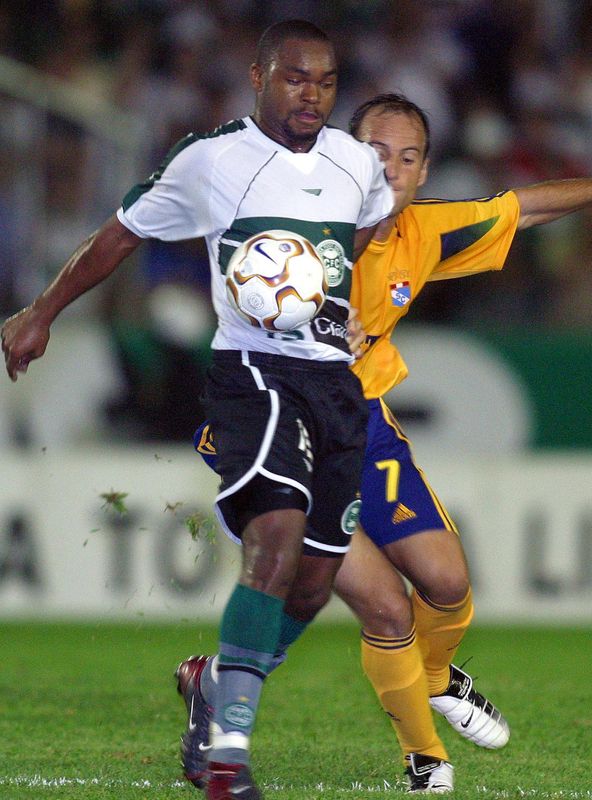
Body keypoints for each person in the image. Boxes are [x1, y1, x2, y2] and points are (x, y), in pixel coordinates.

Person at [180, 94, 592, 794]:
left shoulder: (421, 230)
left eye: (408, 156)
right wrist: (306, 328)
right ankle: (425, 757)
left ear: (423, 168)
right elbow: (244, 289)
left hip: (363, 426)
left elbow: (522, 207)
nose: (393, 167)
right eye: (377, 151)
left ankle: (408, 678)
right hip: (272, 418)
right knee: (378, 602)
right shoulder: (292, 216)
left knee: (443, 581)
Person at [1, 21, 393, 800]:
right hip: (251, 370)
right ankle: (227, 759)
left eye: (324, 81)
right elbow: (118, 237)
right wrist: (40, 312)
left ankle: (212, 683)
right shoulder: (211, 159)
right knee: (274, 537)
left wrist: (353, 300)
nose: (310, 94)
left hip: (334, 384)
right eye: (294, 78)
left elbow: (378, 225)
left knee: (313, 585)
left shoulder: (357, 163)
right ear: (257, 77)